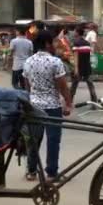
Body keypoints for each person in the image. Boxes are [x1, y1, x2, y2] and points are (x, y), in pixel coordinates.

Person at [23, 30, 73, 182]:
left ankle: (31, 171)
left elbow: (26, 86)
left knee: (34, 139)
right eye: (52, 42)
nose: (54, 45)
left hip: (34, 106)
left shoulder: (28, 62)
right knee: (53, 140)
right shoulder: (55, 62)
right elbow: (63, 86)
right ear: (46, 44)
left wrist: (32, 100)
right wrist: (68, 103)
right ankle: (51, 172)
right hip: (52, 106)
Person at [71, 28, 97, 103]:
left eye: (75, 31)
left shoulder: (76, 43)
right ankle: (94, 101)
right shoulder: (87, 43)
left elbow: (76, 56)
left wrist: (76, 69)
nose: (74, 33)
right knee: (90, 85)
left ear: (77, 33)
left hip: (79, 67)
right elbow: (88, 56)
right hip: (87, 67)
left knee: (74, 85)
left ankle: (69, 102)